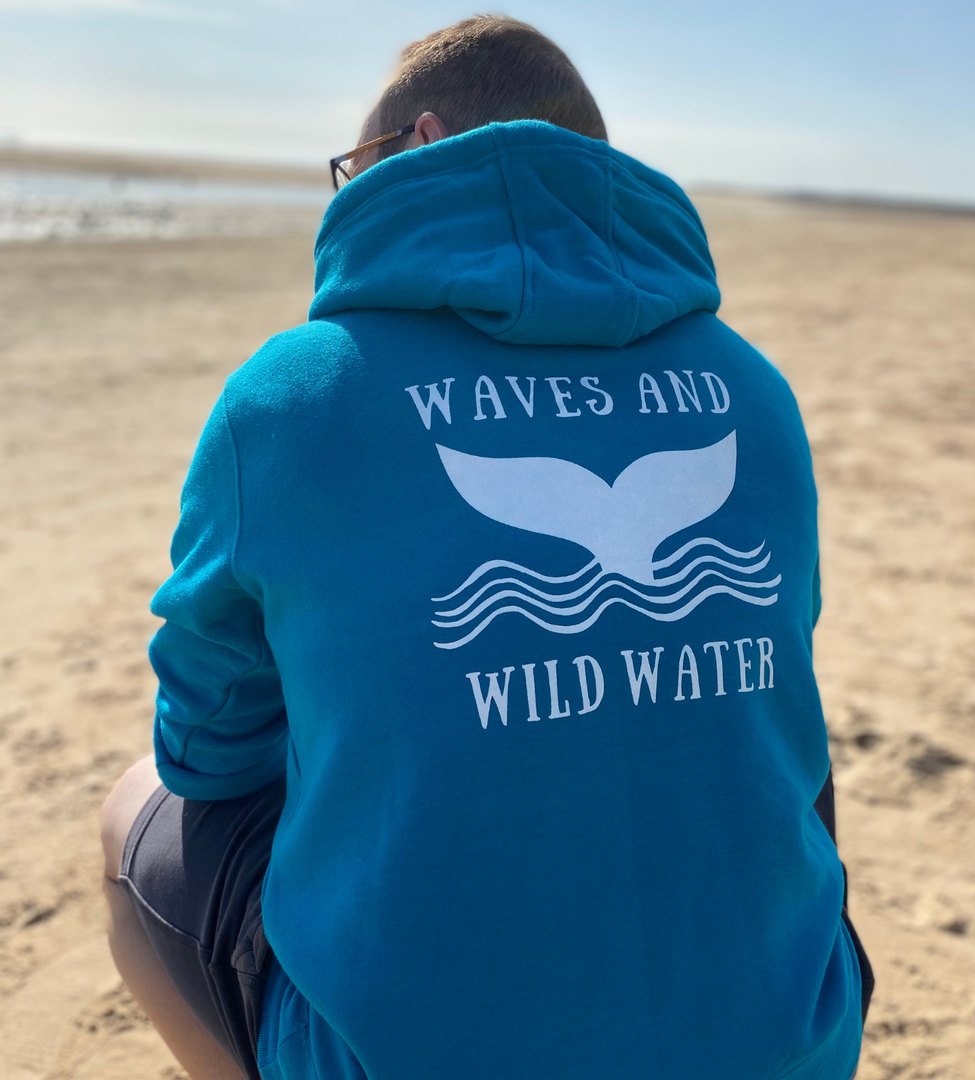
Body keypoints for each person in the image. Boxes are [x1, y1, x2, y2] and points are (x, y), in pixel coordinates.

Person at [99, 15, 873, 1080]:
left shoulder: (293, 395)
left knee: (132, 809)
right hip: (791, 1040)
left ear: (418, 143)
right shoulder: (753, 390)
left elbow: (205, 752)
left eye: (353, 170)